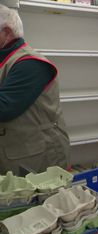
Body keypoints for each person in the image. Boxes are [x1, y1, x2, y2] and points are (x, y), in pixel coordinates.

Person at [0, 4, 69, 175]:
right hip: (17, 152)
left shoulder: (30, 63)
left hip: (38, 158)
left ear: (7, 32)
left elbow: (4, 107)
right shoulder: (6, 60)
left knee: (43, 200)